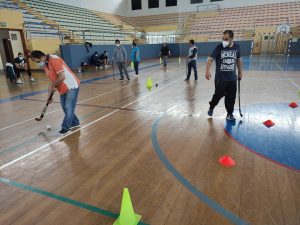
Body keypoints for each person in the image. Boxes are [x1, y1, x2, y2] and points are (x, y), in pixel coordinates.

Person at [31, 50, 81, 135]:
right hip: (62, 88)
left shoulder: (54, 59)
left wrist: (54, 85)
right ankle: (75, 123)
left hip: (71, 85)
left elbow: (62, 76)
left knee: (68, 106)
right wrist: (49, 96)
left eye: (38, 61)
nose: (38, 63)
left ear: (41, 57)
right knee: (64, 107)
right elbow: (51, 82)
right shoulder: (45, 66)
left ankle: (65, 127)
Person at [205, 30, 243, 121]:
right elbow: (210, 59)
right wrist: (207, 71)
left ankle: (230, 114)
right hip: (220, 78)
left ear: (232, 38)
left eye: (226, 39)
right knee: (218, 95)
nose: (224, 41)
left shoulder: (237, 47)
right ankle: (212, 106)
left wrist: (240, 72)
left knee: (231, 97)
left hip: (232, 79)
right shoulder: (219, 47)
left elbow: (238, 60)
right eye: (223, 39)